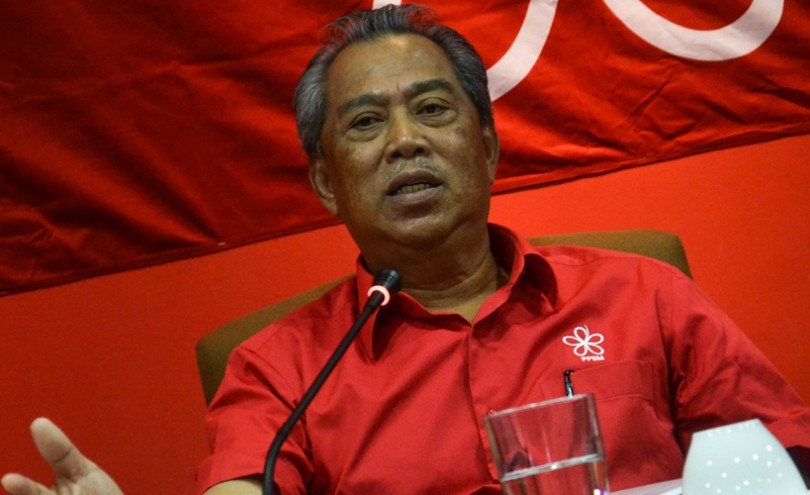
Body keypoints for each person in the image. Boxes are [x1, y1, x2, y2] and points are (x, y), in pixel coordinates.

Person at [5, 4, 810, 495]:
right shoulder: (279, 371)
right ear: (327, 184)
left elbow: (789, 457)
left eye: (432, 109)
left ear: (487, 148)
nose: (404, 142)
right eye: (366, 122)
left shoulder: (644, 294)